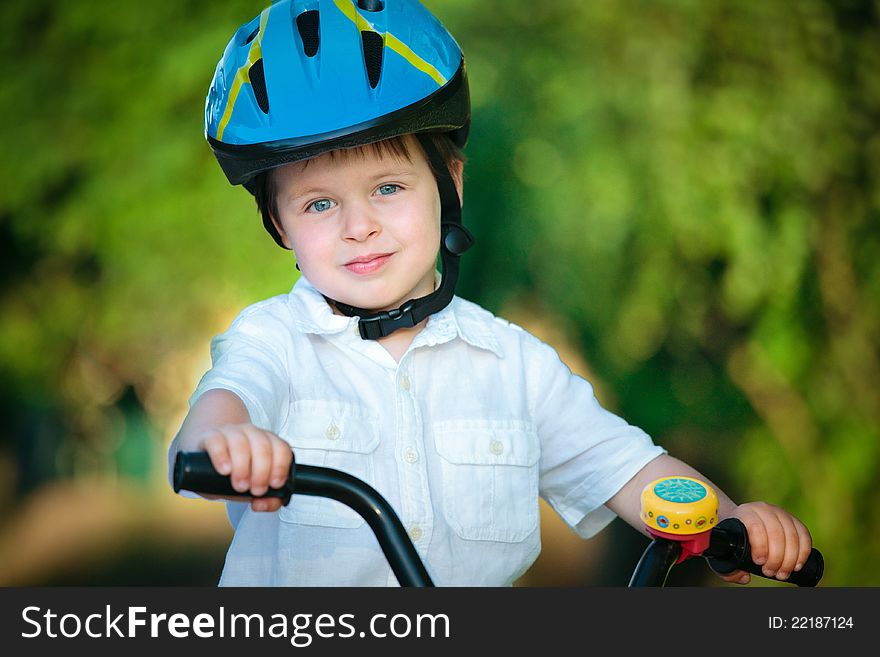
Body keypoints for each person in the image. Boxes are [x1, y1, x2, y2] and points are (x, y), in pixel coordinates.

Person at [168, 0, 813, 586]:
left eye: (388, 188)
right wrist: (229, 444)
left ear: (450, 182)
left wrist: (734, 523)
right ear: (279, 222)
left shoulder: (514, 366)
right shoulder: (274, 340)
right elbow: (218, 410)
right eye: (318, 203)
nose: (357, 224)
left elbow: (625, 467)